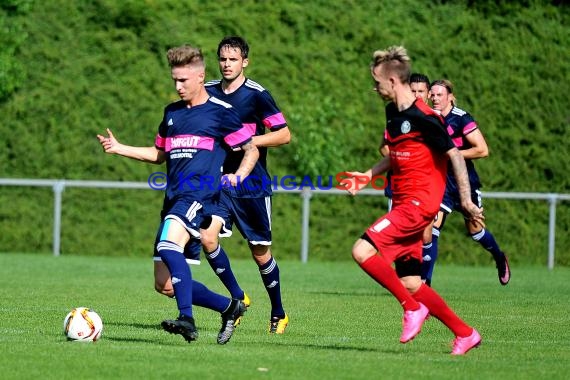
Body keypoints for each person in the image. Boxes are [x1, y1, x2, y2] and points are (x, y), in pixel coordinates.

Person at [97, 44, 259, 344]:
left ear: (200, 77)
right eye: (174, 80)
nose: (178, 86)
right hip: (173, 199)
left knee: (168, 244)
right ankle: (230, 306)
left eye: (183, 80)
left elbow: (251, 148)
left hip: (199, 197)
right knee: (165, 284)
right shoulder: (171, 113)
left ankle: (187, 318)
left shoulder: (221, 113)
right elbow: (159, 154)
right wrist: (120, 148)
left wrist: (239, 175)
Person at [341, 46, 483, 355]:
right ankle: (465, 333)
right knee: (411, 282)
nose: (374, 87)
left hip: (419, 205)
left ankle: (411, 309)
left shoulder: (425, 116)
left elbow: (455, 156)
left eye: (377, 81)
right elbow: (395, 155)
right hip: (404, 201)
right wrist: (368, 175)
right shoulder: (393, 112)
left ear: (393, 80)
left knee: (362, 250)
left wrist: (466, 200)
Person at [202, 35, 291, 334]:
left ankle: (278, 312)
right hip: (220, 185)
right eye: (223, 59)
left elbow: (283, 134)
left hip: (252, 185)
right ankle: (238, 298)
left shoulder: (257, 95)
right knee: (207, 238)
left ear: (245, 62)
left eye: (233, 59)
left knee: (260, 252)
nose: (227, 64)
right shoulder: (209, 92)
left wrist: (248, 141)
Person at [422, 79, 510, 286]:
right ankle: (426, 286)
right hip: (441, 183)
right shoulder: (428, 119)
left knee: (477, 232)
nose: (435, 98)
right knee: (432, 228)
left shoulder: (461, 119)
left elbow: (482, 149)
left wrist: (452, 155)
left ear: (450, 97)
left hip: (465, 184)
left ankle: (499, 257)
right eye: (432, 95)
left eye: (439, 95)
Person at [379, 73, 431, 211]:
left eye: (421, 91)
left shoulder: (433, 119)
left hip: (426, 186)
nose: (417, 95)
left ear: (429, 94)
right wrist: (402, 163)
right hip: (399, 186)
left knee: (428, 232)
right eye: (413, 91)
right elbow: (384, 147)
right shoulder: (397, 116)